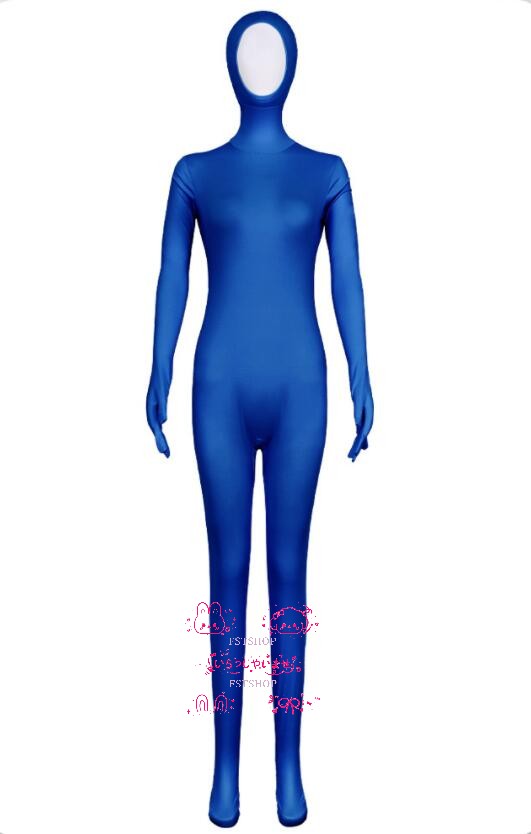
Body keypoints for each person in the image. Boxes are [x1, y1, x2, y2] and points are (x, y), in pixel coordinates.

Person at [146, 9, 374, 827]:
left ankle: (287, 766)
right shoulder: (194, 173)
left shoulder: (326, 172)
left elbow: (346, 281)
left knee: (287, 572)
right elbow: (172, 275)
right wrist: (158, 367)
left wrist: (362, 373)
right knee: (225, 573)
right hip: (218, 387)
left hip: (301, 390)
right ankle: (223, 770)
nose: (261, 64)